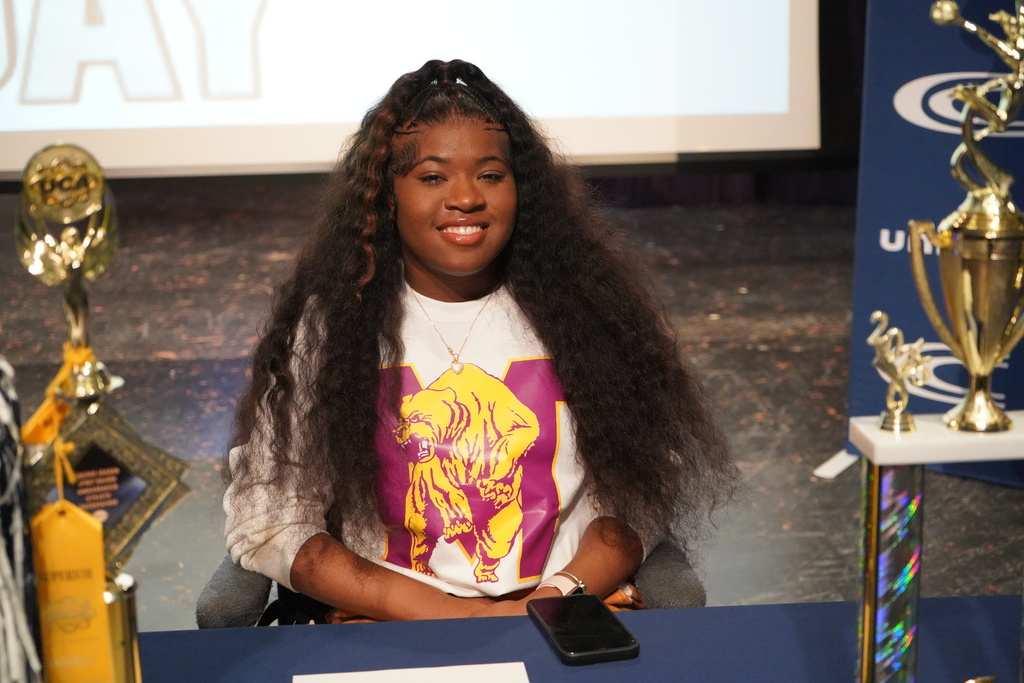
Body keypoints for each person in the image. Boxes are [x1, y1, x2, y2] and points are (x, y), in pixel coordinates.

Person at [223, 59, 738, 621]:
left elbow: (636, 498)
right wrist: (444, 614)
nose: (466, 198)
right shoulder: (330, 332)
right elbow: (270, 520)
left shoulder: (589, 316)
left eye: (491, 175)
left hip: (562, 616)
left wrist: (552, 598)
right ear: (386, 197)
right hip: (389, 627)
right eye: (432, 177)